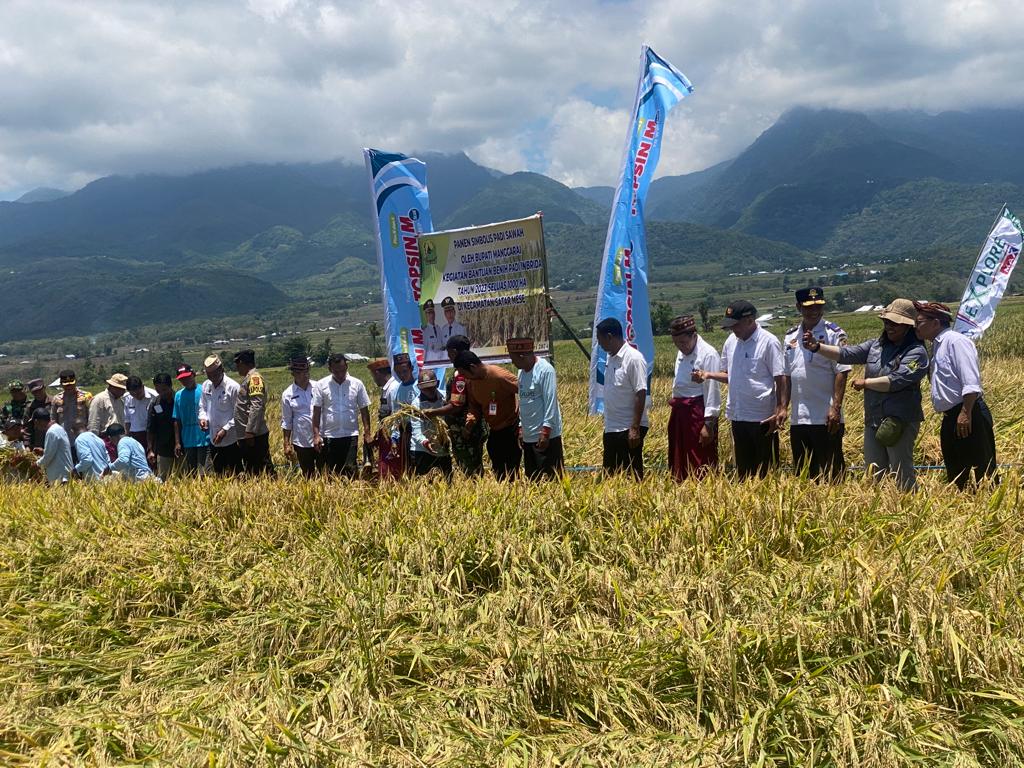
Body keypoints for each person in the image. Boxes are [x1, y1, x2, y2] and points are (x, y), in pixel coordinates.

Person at [806, 299, 928, 492]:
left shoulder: (917, 353)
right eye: (887, 322)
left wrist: (866, 383)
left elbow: (896, 380)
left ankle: (909, 503)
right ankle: (879, 504)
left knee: (901, 470)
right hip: (874, 418)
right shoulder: (876, 346)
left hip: (899, 420)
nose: (889, 327)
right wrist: (817, 347)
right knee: (873, 471)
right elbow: (847, 354)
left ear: (908, 326)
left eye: (895, 323)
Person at [694, 301, 787, 480]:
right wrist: (708, 374)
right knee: (743, 472)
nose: (732, 329)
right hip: (737, 415)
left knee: (766, 473)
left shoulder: (769, 342)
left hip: (762, 417)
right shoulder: (731, 342)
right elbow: (729, 375)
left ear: (750, 320)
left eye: (735, 325)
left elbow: (780, 377)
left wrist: (780, 409)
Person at [913, 300, 997, 489]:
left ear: (935, 322)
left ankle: (986, 502)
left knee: (981, 467)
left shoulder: (956, 342)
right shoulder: (937, 345)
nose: (915, 327)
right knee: (957, 469)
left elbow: (971, 382)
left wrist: (965, 412)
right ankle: (964, 502)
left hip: (968, 412)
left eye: (919, 322)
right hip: (952, 415)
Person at [783, 288, 851, 480]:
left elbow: (842, 371)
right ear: (799, 307)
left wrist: (835, 408)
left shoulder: (834, 333)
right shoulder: (790, 336)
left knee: (832, 474)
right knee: (804, 475)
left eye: (818, 306)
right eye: (809, 307)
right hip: (799, 418)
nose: (814, 311)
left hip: (825, 417)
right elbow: (787, 375)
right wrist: (782, 407)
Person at [667, 315, 721, 481]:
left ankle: (703, 491)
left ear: (694, 336)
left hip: (698, 413)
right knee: (679, 457)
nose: (681, 347)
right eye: (677, 343)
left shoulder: (708, 354)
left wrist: (708, 425)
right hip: (680, 412)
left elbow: (712, 391)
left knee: (700, 458)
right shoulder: (682, 351)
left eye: (683, 342)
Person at [453, 349, 520, 480]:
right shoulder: (471, 382)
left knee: (512, 472)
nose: (464, 377)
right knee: (499, 471)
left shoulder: (499, 376)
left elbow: (525, 391)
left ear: (472, 367)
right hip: (494, 430)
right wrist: (470, 422)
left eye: (464, 373)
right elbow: (474, 406)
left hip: (511, 429)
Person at [595, 318, 649, 479]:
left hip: (628, 429)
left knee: (631, 475)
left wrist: (634, 427)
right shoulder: (611, 358)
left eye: (600, 340)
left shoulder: (633, 358)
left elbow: (640, 392)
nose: (599, 344)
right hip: (612, 428)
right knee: (610, 476)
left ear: (610, 337)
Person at [507, 337, 563, 480]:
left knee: (551, 480)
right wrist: (521, 428)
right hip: (529, 435)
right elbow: (523, 401)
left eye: (513, 359)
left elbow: (550, 402)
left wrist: (546, 431)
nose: (512, 362)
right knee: (533, 480)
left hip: (545, 437)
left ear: (522, 356)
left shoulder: (545, 370)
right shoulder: (521, 372)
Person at [312, 353, 372, 477]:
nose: (340, 374)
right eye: (336, 371)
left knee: (350, 469)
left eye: (343, 370)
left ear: (347, 367)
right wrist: (316, 435)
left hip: (350, 434)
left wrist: (367, 433)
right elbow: (316, 412)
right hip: (329, 435)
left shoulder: (357, 384)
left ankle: (352, 489)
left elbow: (364, 410)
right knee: (332, 472)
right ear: (330, 369)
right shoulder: (321, 385)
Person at [441, 335, 485, 476]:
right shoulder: (468, 371)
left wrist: (433, 412)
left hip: (464, 430)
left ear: (454, 352)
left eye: (449, 353)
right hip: (463, 429)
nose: (448, 356)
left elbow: (457, 405)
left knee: (470, 469)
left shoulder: (461, 375)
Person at [233, 349, 274, 476]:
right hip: (247, 434)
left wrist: (250, 431)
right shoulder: (247, 378)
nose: (237, 368)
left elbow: (256, 406)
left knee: (263, 468)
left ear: (243, 363)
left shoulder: (254, 378)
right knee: (252, 470)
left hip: (254, 435)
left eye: (238, 364)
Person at [199, 355, 242, 476]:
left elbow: (240, 413)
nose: (212, 378)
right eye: (209, 375)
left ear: (221, 369)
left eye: (214, 374)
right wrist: (203, 418)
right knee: (219, 475)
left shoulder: (233, 387)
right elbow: (202, 406)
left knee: (236, 474)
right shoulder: (206, 385)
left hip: (232, 440)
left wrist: (225, 429)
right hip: (214, 440)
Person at [409, 369, 453, 479]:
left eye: (431, 387)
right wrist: (425, 442)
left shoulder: (445, 398)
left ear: (437, 384)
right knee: (425, 483)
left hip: (443, 448)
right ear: (419, 387)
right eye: (425, 388)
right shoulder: (416, 405)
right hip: (423, 450)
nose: (429, 391)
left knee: (447, 482)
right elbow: (416, 430)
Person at [281, 355, 320, 478]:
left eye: (307, 371)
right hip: (302, 440)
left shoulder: (318, 387)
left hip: (321, 438)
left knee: (326, 472)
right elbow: (287, 421)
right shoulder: (288, 394)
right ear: (293, 374)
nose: (305, 375)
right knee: (308, 475)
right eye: (301, 372)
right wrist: (286, 443)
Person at [381, 352, 419, 479]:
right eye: (398, 373)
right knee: (407, 466)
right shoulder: (396, 390)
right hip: (405, 433)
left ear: (411, 368)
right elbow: (396, 416)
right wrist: (394, 439)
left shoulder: (419, 387)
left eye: (404, 371)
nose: (402, 375)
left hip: (419, 432)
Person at [173, 364, 211, 475]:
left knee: (205, 473)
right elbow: (177, 420)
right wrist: (177, 442)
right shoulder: (178, 395)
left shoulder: (204, 391)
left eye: (187, 377)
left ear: (193, 375)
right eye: (182, 379)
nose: (185, 381)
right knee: (192, 473)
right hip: (188, 440)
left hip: (205, 438)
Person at [367, 357, 400, 478]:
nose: (373, 379)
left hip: (392, 436)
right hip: (386, 434)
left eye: (373, 375)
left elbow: (395, 415)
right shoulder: (387, 388)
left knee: (391, 470)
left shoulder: (393, 388)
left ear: (377, 373)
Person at [147, 373, 179, 480]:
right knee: (164, 479)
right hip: (163, 448)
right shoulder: (155, 403)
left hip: (181, 446)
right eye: (158, 390)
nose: (162, 393)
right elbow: (150, 428)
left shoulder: (178, 399)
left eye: (164, 389)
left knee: (184, 476)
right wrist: (150, 449)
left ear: (171, 386)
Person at [50, 369, 93, 448]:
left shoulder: (86, 397)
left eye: (71, 384)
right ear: (61, 384)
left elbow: (91, 419)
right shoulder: (56, 399)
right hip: (65, 441)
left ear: (75, 381)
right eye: (66, 385)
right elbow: (53, 421)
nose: (69, 387)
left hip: (83, 439)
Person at [32, 408, 73, 484]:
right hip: (65, 475)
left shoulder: (51, 432)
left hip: (60, 478)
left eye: (35, 424)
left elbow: (48, 456)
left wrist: (36, 464)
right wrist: (43, 451)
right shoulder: (59, 428)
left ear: (37, 421)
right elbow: (57, 451)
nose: (35, 427)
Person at [123, 375, 158, 456]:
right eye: (133, 394)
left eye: (138, 393)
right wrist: (127, 436)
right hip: (134, 435)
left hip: (151, 434)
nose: (136, 396)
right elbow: (127, 419)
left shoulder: (154, 396)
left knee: (152, 459)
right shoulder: (127, 397)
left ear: (142, 387)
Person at [22, 379, 52, 451]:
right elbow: (27, 428)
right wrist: (27, 445)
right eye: (34, 392)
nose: (38, 393)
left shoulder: (54, 402)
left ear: (44, 387)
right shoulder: (30, 408)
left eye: (39, 390)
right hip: (38, 445)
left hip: (53, 442)